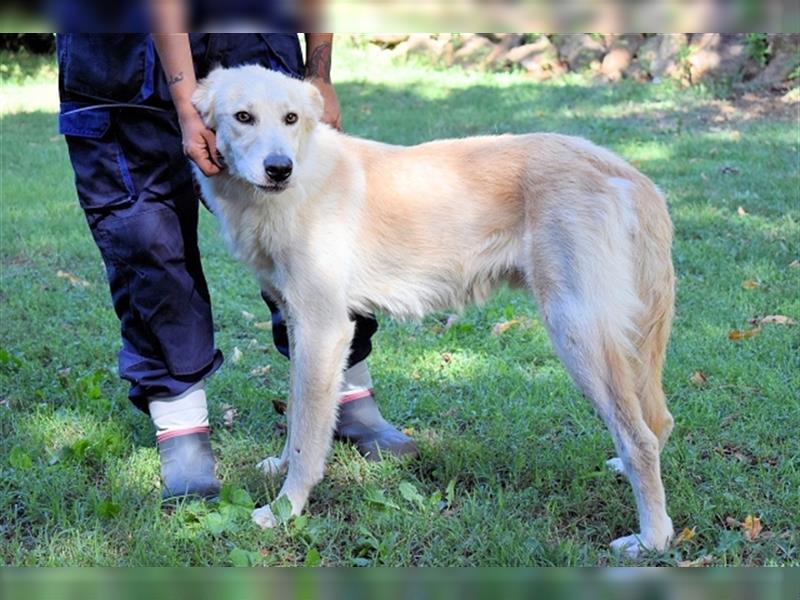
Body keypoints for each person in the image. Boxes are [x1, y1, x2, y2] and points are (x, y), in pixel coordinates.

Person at [57, 32, 416, 501]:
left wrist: (319, 72)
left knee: (311, 227)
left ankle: (349, 393)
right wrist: (187, 104)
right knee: (142, 227)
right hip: (116, 40)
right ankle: (180, 423)